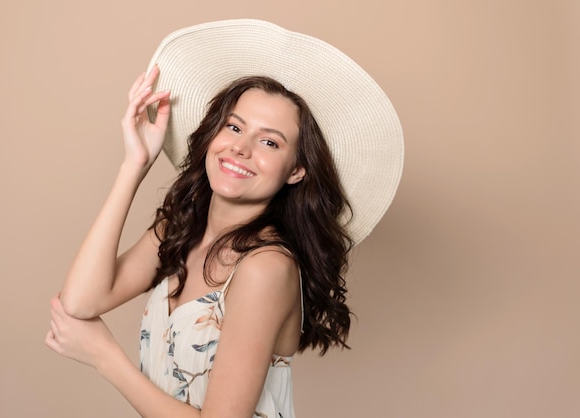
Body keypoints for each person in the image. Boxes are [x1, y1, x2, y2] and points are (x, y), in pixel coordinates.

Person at [45, 19, 403, 418]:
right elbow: (79, 302)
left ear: (296, 170)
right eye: (234, 126)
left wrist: (104, 356)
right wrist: (135, 164)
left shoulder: (266, 266)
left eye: (269, 141)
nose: (241, 148)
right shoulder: (182, 227)